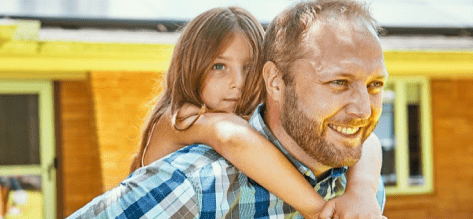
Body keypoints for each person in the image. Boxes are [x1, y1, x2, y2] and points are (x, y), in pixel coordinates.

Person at [69, 1, 387, 218]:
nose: (237, 82)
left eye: (248, 68)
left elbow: (366, 141)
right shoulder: (186, 125)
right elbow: (234, 140)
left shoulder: (354, 186)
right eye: (338, 82)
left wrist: (361, 193)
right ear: (274, 81)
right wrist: (320, 210)